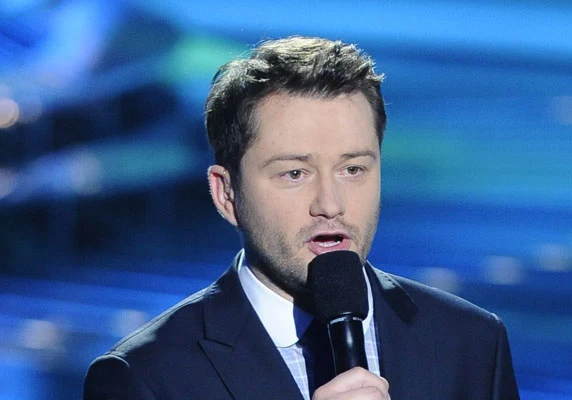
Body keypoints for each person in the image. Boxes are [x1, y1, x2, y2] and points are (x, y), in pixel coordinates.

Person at [84, 36, 520, 400]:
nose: (330, 204)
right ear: (226, 194)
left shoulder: (471, 342)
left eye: (353, 169)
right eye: (295, 173)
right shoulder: (145, 377)